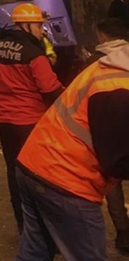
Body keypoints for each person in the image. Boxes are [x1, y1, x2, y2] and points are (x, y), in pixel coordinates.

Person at [14, 42, 129, 261]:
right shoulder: (118, 88)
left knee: (34, 252)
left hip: (34, 165)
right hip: (65, 180)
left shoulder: (111, 67)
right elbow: (117, 160)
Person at [0, 2, 63, 232]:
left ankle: (23, 226)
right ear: (26, 25)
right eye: (39, 26)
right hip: (31, 122)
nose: (42, 30)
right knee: (39, 175)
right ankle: (43, 229)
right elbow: (50, 89)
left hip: (5, 121)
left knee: (14, 173)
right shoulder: (34, 53)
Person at [83, 17, 129, 254]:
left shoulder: (94, 63)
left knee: (113, 183)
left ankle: (123, 233)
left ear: (102, 36)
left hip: (108, 136)